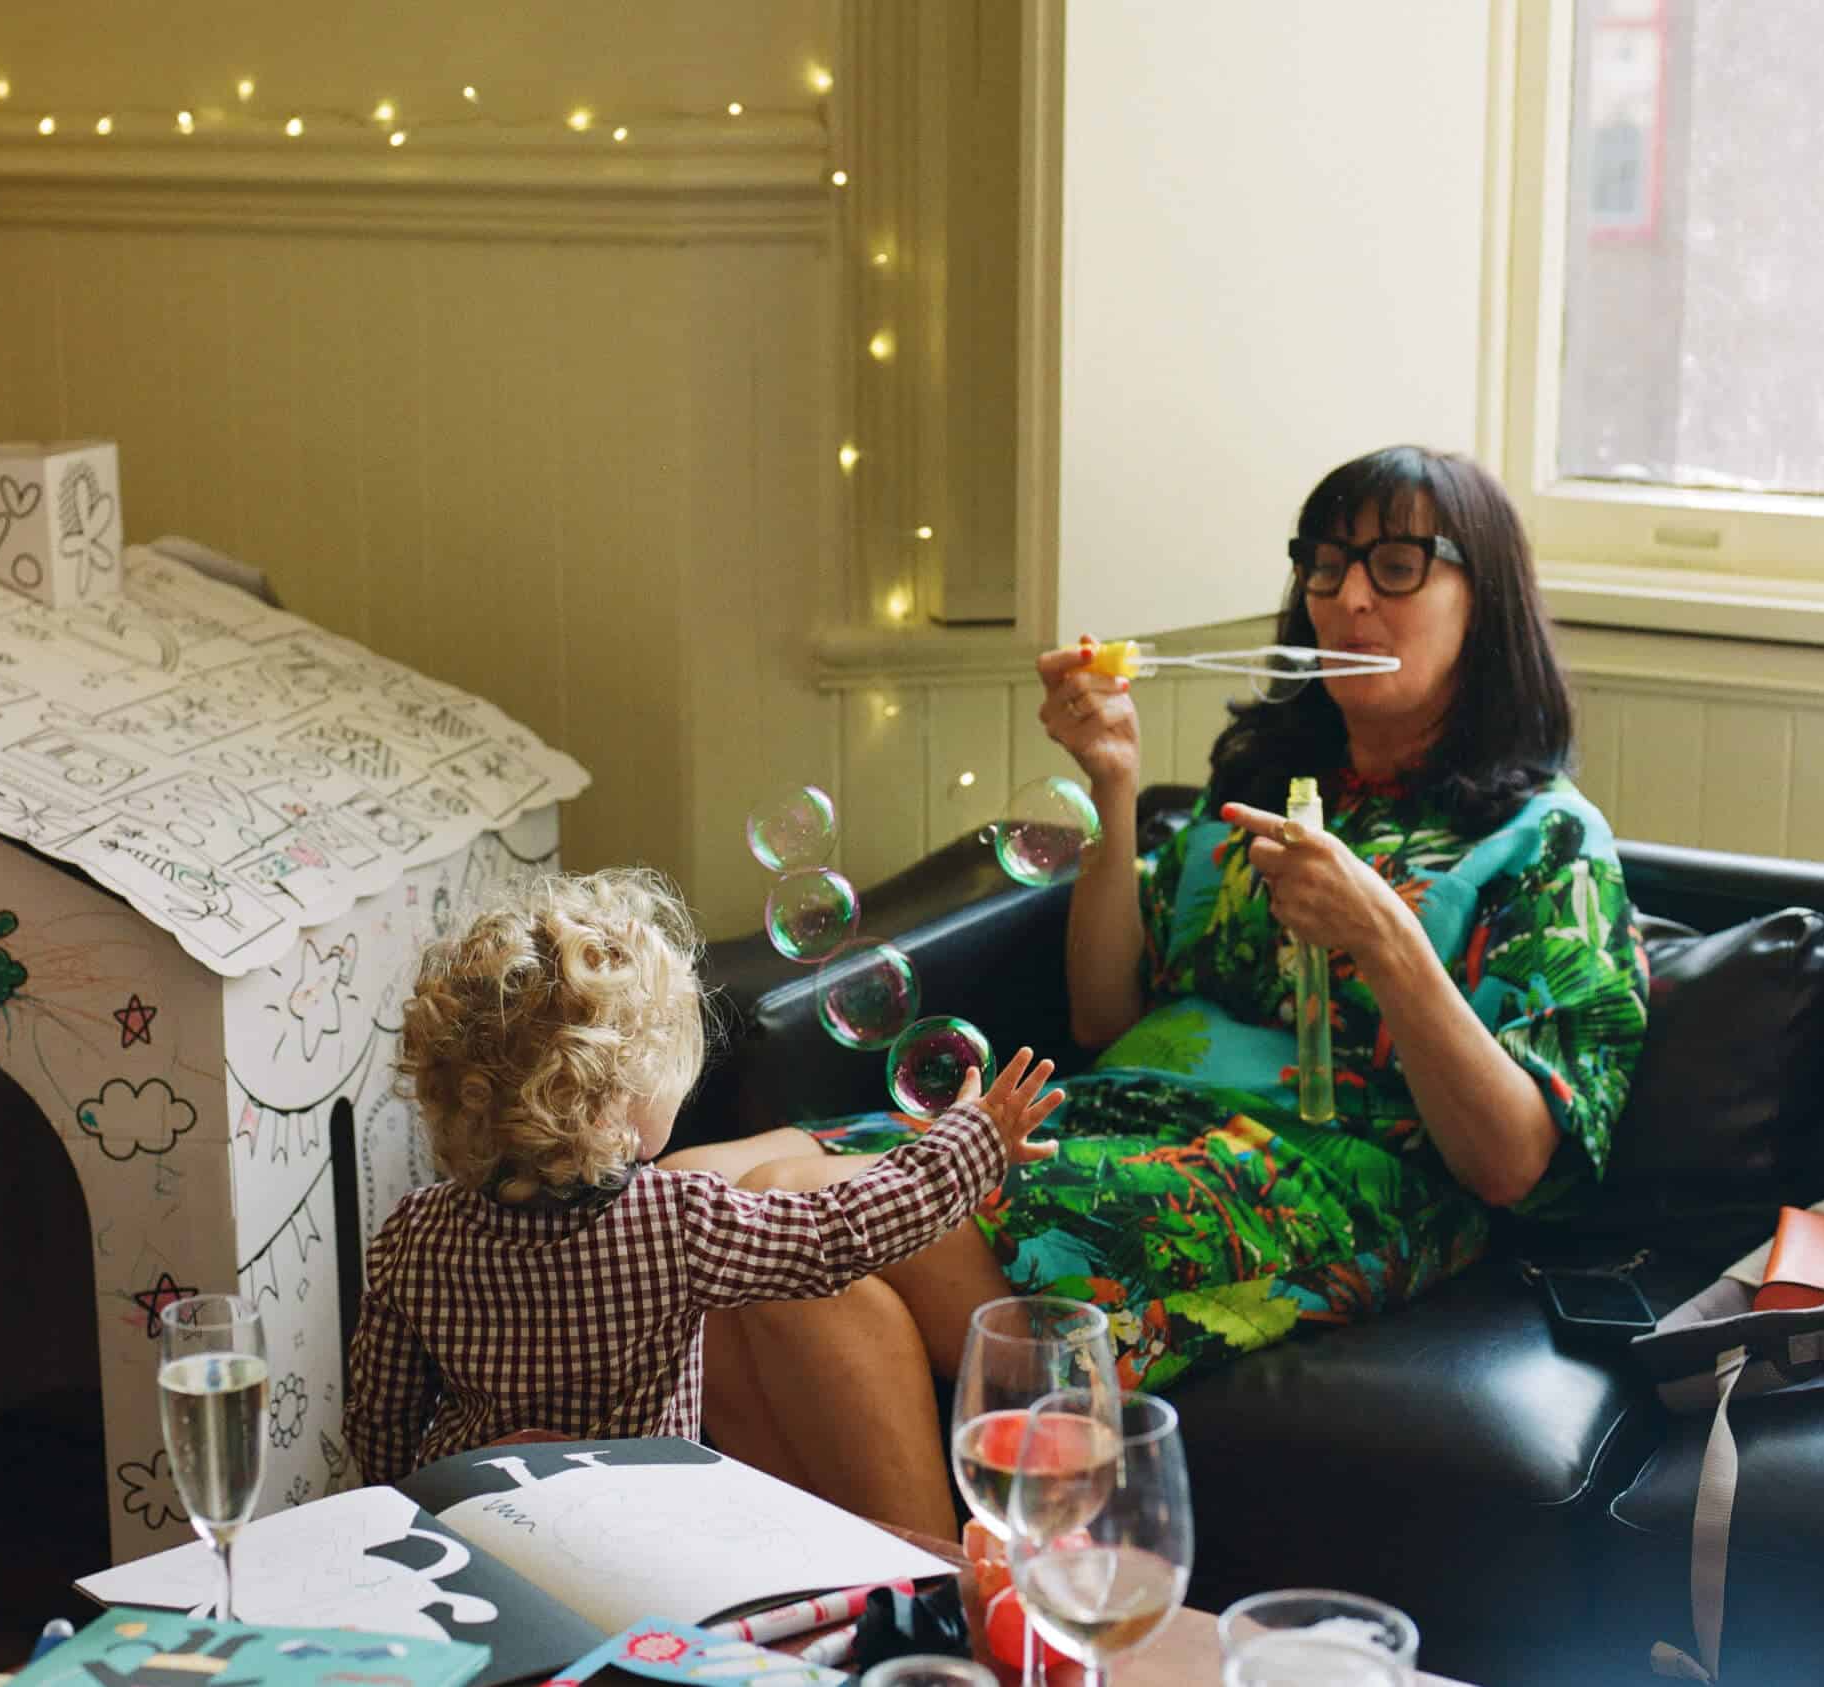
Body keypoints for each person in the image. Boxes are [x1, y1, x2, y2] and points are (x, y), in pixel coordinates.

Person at [666, 445, 1650, 1538]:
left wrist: (1383, 934)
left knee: (785, 1222)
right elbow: (1105, 1018)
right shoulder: (1265, 792)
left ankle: (942, 1617)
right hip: (1117, 1115)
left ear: (1487, 597)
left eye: (1398, 563)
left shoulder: (1544, 839)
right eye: (1325, 565)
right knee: (689, 1200)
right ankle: (843, 1616)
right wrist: (1114, 782)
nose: (1350, 596)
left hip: (1317, 1164)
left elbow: (1513, 1158)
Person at [342, 864, 1067, 1486]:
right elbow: (842, 1229)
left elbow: (380, 1420)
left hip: (479, 1522)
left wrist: (401, 1507)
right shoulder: (678, 1222)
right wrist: (972, 1144)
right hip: (638, 1536)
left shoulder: (413, 1232)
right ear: (610, 1111)